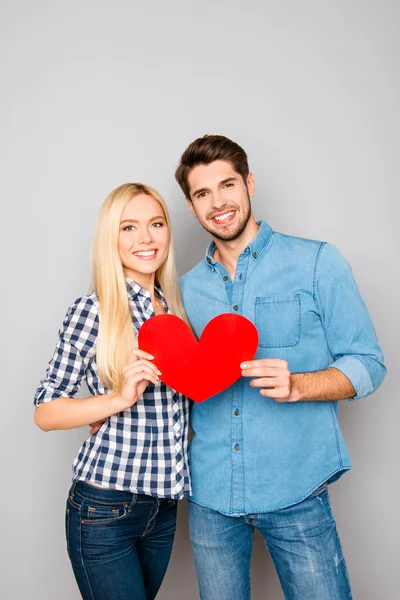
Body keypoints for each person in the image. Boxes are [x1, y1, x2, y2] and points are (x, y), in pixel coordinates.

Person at [175, 135, 386, 600]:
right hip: (211, 497)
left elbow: (369, 364)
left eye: (227, 185)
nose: (218, 203)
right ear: (191, 207)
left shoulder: (316, 262)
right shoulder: (184, 291)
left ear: (250, 184)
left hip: (297, 490)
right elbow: (176, 379)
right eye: (202, 193)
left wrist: (298, 384)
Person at [33, 183, 191, 600]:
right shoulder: (96, 309)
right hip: (105, 507)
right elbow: (45, 410)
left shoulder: (177, 310)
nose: (146, 238)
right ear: (111, 238)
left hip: (163, 508)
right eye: (129, 227)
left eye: (156, 224)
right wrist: (118, 400)